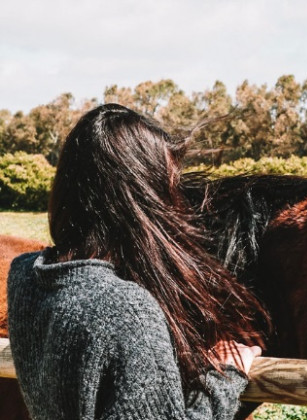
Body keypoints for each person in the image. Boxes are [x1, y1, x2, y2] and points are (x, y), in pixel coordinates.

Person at [7, 103, 266, 420]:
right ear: (144, 199)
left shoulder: (24, 275)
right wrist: (223, 380)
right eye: (170, 186)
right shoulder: (128, 309)